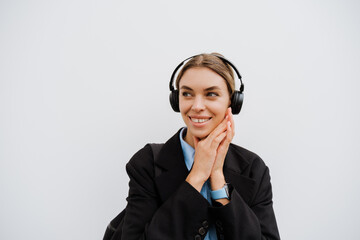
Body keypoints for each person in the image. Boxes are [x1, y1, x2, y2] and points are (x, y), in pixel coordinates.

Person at [105, 53, 280, 240]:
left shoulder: (254, 168)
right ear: (176, 99)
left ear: (232, 101)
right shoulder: (147, 163)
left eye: (211, 94)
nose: (197, 106)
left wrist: (218, 179)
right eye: (187, 93)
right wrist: (197, 176)